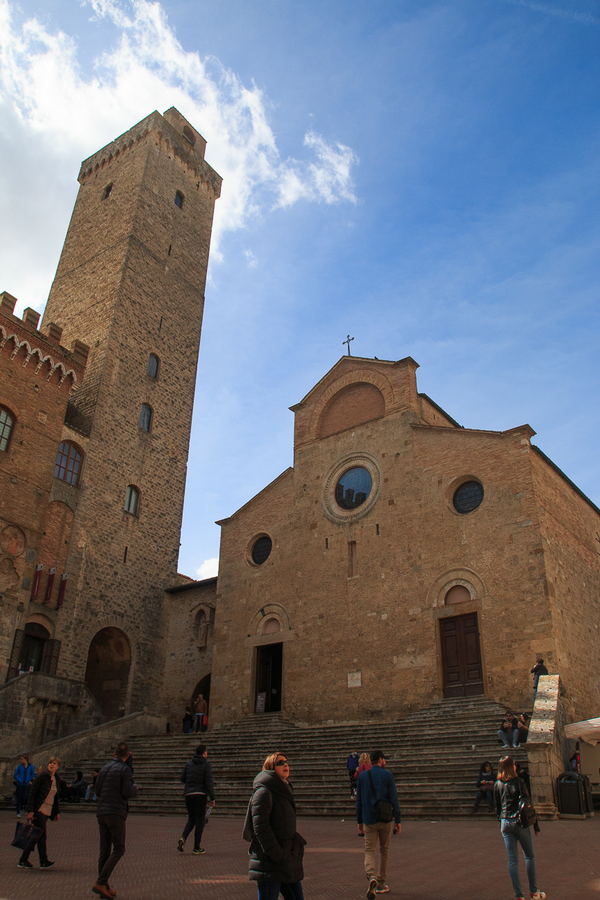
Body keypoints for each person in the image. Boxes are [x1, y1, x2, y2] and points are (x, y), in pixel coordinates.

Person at [243, 752, 306, 900]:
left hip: (286, 861)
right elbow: (260, 827)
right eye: (280, 762)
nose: (285, 764)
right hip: (270, 862)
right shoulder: (263, 792)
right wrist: (277, 853)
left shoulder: (284, 790)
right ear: (271, 768)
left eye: (286, 762)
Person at [494, 755, 545, 900]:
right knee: (529, 856)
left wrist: (501, 823)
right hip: (519, 822)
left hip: (505, 822)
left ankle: (519, 895)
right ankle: (534, 892)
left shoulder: (497, 784)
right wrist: (536, 826)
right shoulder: (519, 782)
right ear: (512, 767)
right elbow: (528, 806)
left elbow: (497, 807)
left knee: (512, 860)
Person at [92, 741, 138, 899]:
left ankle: (104, 887)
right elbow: (126, 791)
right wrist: (134, 790)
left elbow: (97, 790)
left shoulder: (104, 768)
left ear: (114, 754)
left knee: (104, 851)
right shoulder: (125, 770)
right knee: (119, 849)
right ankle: (101, 881)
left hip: (102, 812)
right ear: (127, 756)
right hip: (115, 812)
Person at [356, 750, 401, 899]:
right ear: (380, 760)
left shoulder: (362, 777)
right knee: (384, 851)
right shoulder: (387, 775)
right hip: (385, 819)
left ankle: (371, 876)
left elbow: (359, 801)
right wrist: (398, 820)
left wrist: (359, 821)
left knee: (369, 850)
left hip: (369, 818)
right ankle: (381, 883)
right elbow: (394, 799)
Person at [18, 756, 61, 869]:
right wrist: (31, 811)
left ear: (57, 766)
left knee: (35, 835)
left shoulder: (56, 778)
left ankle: (23, 860)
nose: (51, 765)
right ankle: (43, 861)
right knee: (42, 835)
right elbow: (32, 794)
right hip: (39, 809)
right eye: (50, 763)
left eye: (54, 763)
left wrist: (57, 812)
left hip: (48, 810)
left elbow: (55, 797)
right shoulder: (41, 777)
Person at [177, 743, 215, 854]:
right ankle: (196, 847)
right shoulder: (206, 765)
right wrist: (212, 798)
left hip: (188, 794)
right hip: (200, 795)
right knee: (199, 821)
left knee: (191, 818)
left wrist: (190, 781)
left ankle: (183, 838)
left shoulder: (189, 764)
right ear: (204, 753)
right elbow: (209, 783)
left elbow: (182, 778)